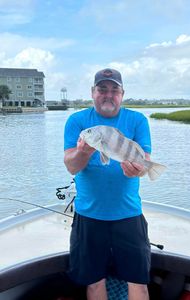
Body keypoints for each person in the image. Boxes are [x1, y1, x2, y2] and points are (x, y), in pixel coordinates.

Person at [64, 68, 151, 300]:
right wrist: (84, 151)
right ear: (93, 92)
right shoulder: (78, 121)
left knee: (139, 284)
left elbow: (145, 161)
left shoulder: (137, 120)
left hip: (129, 214)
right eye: (102, 89)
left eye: (114, 90)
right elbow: (71, 166)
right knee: (94, 284)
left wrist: (137, 171)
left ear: (122, 94)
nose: (108, 95)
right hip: (89, 215)